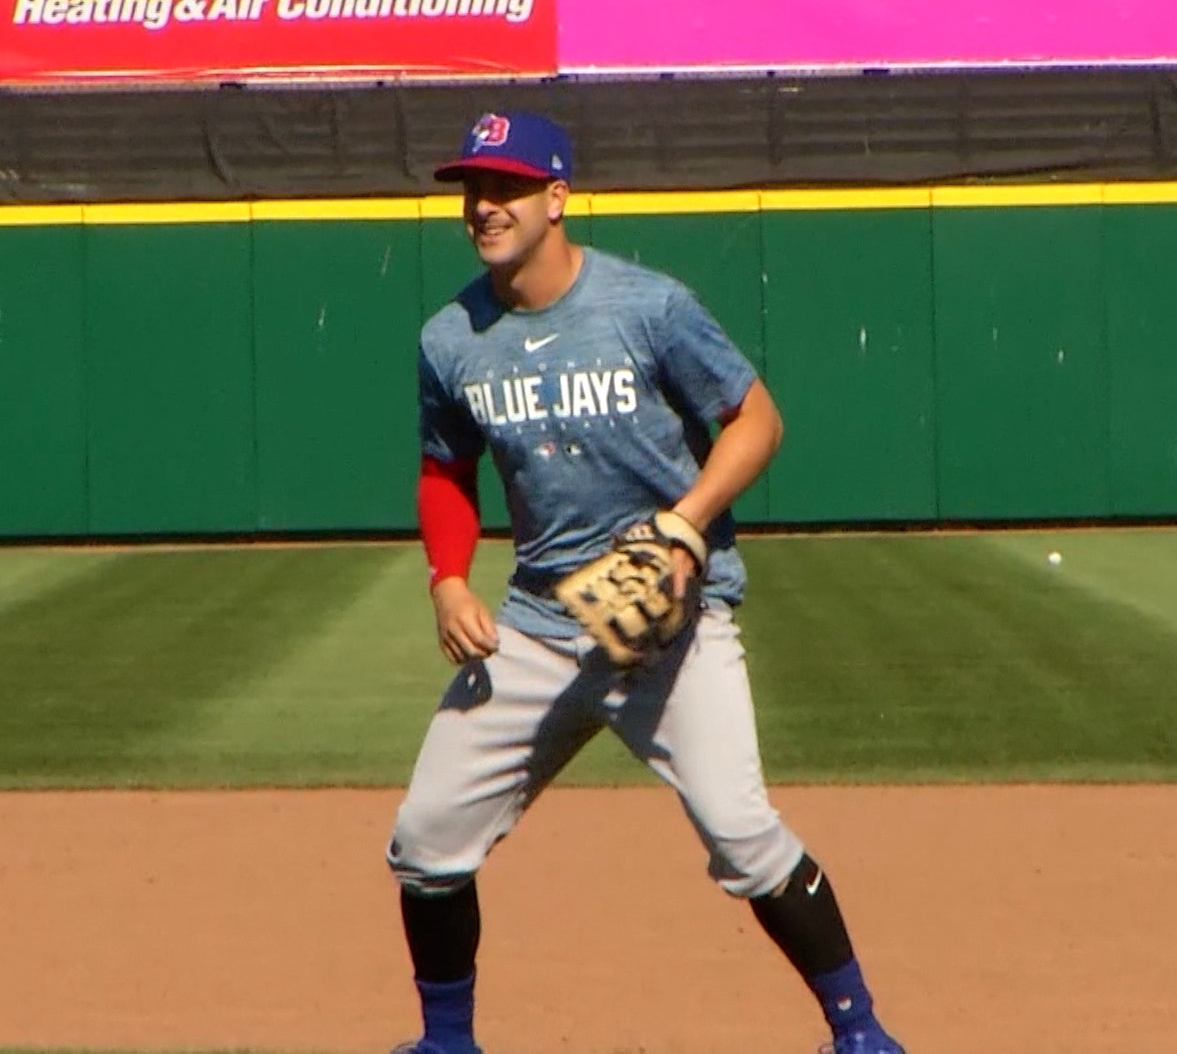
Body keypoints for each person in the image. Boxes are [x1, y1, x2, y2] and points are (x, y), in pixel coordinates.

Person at [387, 108, 907, 1054]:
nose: (484, 206)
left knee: (743, 837)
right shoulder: (451, 339)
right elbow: (444, 473)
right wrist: (448, 581)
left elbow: (756, 421)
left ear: (557, 197)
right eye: (473, 188)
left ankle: (863, 1033)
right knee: (425, 841)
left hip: (671, 624)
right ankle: (447, 1043)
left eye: (505, 187)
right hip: (540, 626)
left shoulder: (647, 308)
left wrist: (685, 522)